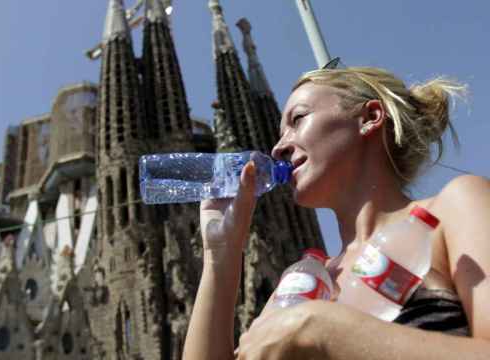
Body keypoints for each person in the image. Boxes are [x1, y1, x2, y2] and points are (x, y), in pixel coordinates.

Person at [182, 66, 490, 359]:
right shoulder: (306, 279)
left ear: (370, 117)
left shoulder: (451, 209)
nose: (278, 148)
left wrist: (322, 330)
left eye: (298, 119)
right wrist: (221, 255)